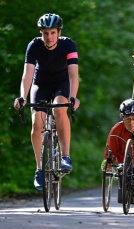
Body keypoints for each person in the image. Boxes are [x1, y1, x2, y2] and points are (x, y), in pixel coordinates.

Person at [14, 13, 80, 190]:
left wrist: (73, 97)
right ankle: (39, 169)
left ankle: (65, 156)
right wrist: (23, 97)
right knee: (37, 123)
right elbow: (27, 75)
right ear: (41, 33)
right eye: (45, 33)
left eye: (52, 32)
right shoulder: (34, 45)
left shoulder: (68, 44)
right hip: (40, 83)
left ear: (58, 32)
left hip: (61, 83)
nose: (49, 37)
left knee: (60, 109)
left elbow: (74, 76)